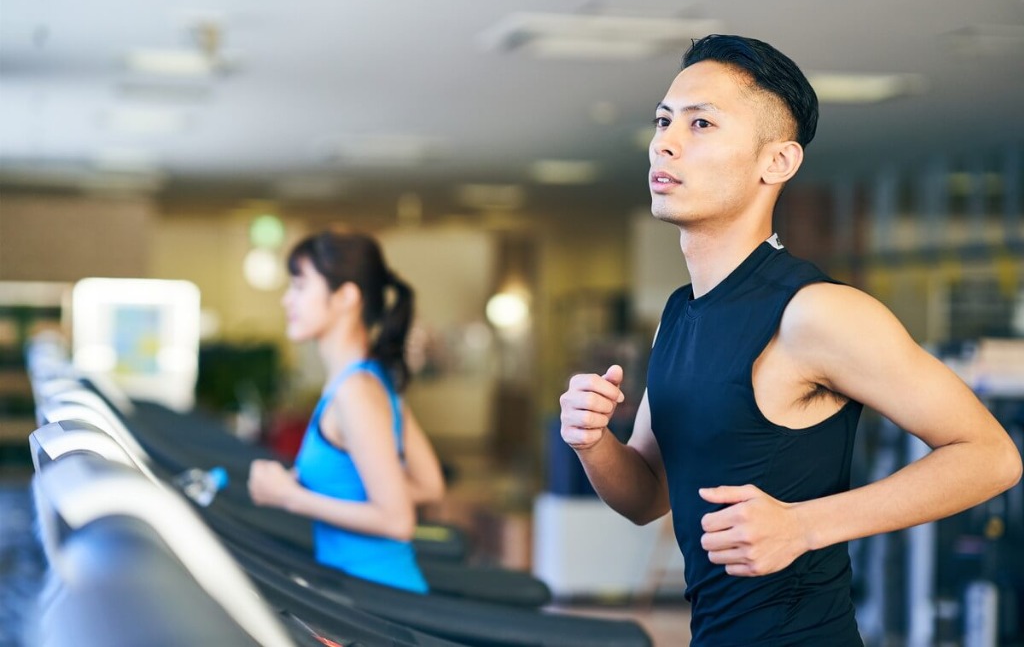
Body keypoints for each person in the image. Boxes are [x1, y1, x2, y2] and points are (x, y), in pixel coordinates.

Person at [559, 35, 1022, 645]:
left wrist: (803, 526)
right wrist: (592, 442)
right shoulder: (680, 313)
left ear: (776, 162)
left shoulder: (815, 313)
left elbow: (991, 456)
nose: (665, 142)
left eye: (701, 123)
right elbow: (646, 497)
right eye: (664, 121)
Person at [248, 230, 445, 593]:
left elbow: (397, 521)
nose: (286, 299)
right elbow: (429, 486)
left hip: (376, 600)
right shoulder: (369, 379)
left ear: (345, 297)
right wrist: (330, 489)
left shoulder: (355, 393)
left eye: (300, 286)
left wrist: (289, 497)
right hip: (360, 592)